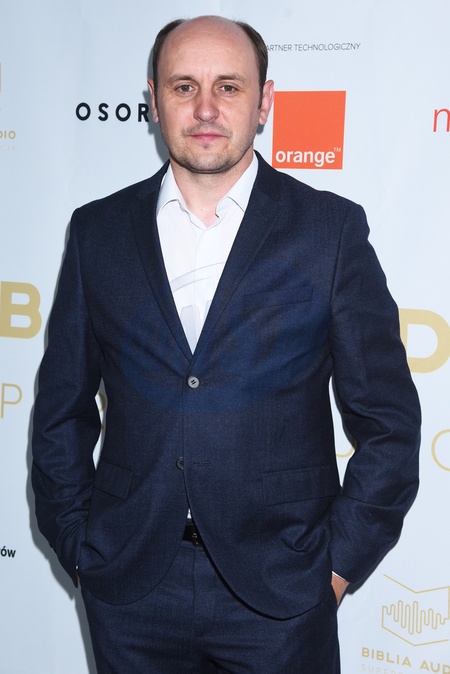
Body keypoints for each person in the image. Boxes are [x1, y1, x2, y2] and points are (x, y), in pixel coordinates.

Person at [32, 15, 421, 674]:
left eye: (229, 87)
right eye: (184, 87)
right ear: (154, 100)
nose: (206, 108)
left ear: (263, 102)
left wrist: (335, 568)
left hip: (282, 594)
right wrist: (79, 548)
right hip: (130, 589)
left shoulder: (329, 231)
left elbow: (389, 422)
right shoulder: (97, 231)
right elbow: (60, 411)